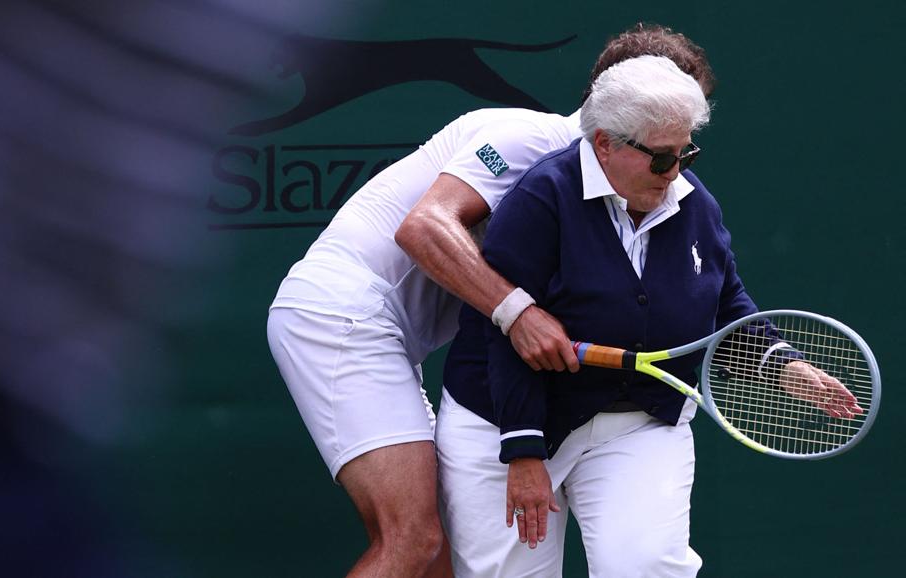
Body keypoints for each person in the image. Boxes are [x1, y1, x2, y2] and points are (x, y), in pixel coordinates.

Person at [267, 25, 716, 577]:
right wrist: (518, 312)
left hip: (392, 333)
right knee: (412, 539)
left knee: (437, 558)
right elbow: (424, 227)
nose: (682, 133)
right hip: (342, 314)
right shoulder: (525, 142)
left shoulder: (630, 192)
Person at [435, 55, 862, 577]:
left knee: (648, 567)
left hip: (637, 423)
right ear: (605, 145)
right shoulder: (542, 198)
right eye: (660, 159)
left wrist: (784, 365)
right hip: (503, 421)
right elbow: (506, 334)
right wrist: (522, 451)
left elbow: (724, 302)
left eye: (687, 154)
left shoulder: (694, 204)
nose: (675, 172)